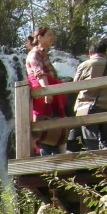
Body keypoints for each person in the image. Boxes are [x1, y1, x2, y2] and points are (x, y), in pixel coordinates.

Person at [73, 41, 107, 149]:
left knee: (91, 142)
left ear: (90, 53)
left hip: (87, 107)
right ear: (105, 52)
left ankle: (94, 165)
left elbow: (75, 86)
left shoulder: (84, 65)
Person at [25, 27, 67, 155]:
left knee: (51, 132)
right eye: (49, 35)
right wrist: (47, 92)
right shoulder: (35, 53)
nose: (51, 37)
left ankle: (53, 169)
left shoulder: (42, 53)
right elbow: (38, 73)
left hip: (47, 95)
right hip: (43, 97)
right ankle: (49, 169)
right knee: (45, 132)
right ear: (40, 38)